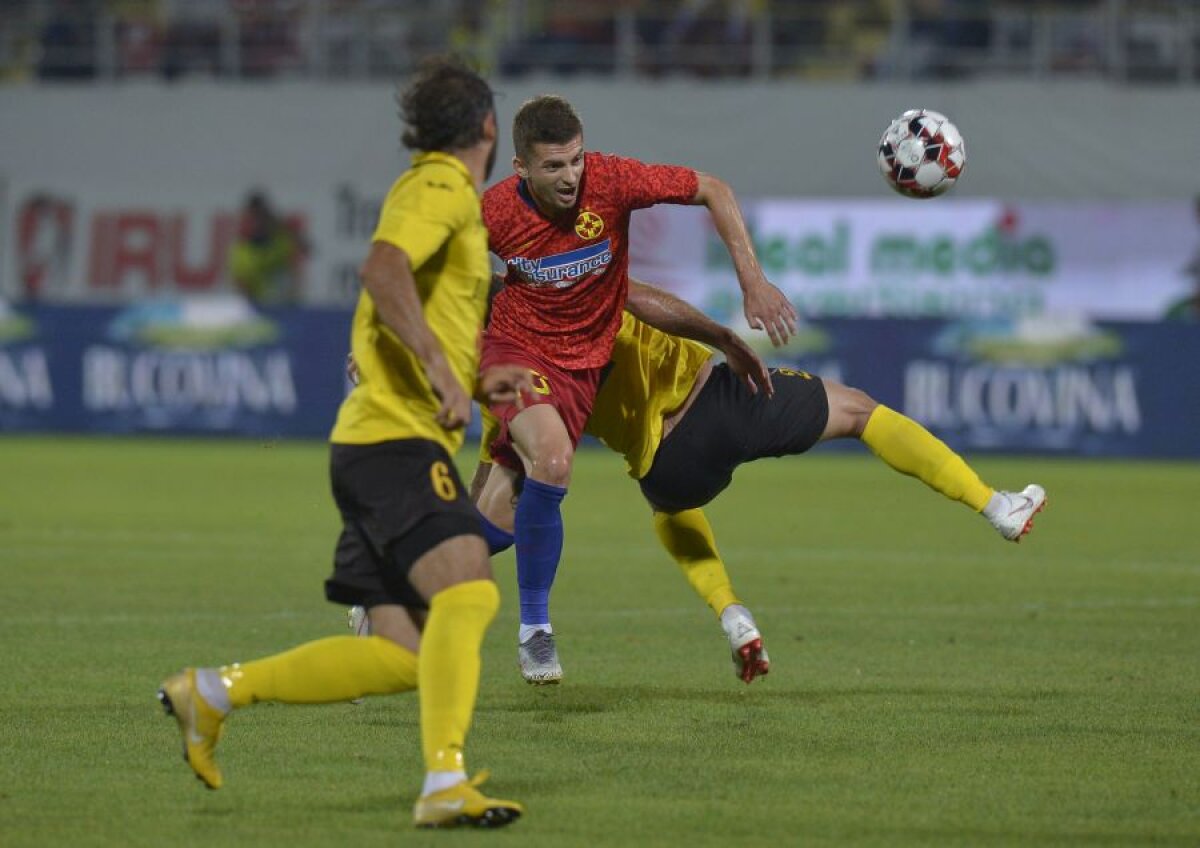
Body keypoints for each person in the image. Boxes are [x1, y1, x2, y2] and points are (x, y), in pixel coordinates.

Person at [157, 57, 532, 830]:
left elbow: (402, 288)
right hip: (395, 441)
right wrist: (437, 369)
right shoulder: (440, 187)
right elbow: (383, 268)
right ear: (488, 127)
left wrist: (470, 376)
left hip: (375, 441)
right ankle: (443, 782)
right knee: (469, 590)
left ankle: (214, 692)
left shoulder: (423, 186)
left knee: (402, 653)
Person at [469, 278, 1048, 683]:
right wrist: (720, 335)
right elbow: (642, 300)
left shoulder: (513, 376)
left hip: (665, 468)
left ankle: (731, 612)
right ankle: (995, 505)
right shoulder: (568, 288)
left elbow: (498, 483)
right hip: (713, 404)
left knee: (669, 511)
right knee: (860, 411)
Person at [480, 94, 797, 684]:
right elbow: (429, 268)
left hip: (580, 370)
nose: (571, 176)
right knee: (550, 461)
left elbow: (712, 187)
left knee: (490, 525)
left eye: (574, 160)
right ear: (520, 168)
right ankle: (535, 633)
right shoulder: (494, 211)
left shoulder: (613, 179)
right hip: (513, 351)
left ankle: (393, 575)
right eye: (553, 166)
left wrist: (751, 281)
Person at [228, 190, 307, 305]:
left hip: (283, 304)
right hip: (256, 307)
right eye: (252, 217)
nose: (257, 222)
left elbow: (297, 269)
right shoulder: (241, 252)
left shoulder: (282, 243)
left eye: (260, 216)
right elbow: (242, 287)